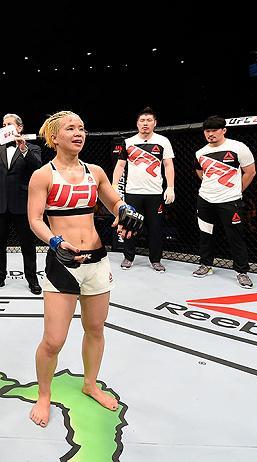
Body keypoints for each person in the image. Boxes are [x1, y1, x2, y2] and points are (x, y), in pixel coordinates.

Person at [27, 111, 143, 428]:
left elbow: (115, 203)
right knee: (53, 340)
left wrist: (126, 211)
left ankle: (90, 384)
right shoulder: (43, 175)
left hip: (96, 261)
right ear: (54, 137)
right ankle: (44, 394)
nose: (79, 133)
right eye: (70, 128)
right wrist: (54, 242)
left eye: (82, 128)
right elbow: (35, 219)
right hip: (62, 264)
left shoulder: (95, 172)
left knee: (95, 329)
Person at [0, 114, 42, 294]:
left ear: (19, 128)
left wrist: (23, 150)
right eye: (3, 124)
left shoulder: (33, 149)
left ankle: (32, 280)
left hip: (22, 204)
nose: (5, 126)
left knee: (28, 245)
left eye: (9, 124)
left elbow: (37, 168)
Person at [193, 116, 256, 288]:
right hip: (205, 199)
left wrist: (236, 191)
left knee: (235, 236)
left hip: (230, 200)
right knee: (205, 234)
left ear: (224, 130)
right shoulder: (200, 152)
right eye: (207, 131)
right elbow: (200, 173)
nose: (211, 134)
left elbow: (250, 172)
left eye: (214, 130)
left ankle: (241, 272)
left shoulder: (238, 147)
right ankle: (206, 265)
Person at [111, 107, 174, 272]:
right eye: (142, 120)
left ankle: (155, 260)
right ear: (137, 123)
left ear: (155, 123)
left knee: (155, 228)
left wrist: (171, 187)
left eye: (149, 120)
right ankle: (128, 257)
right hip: (132, 192)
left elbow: (168, 165)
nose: (145, 123)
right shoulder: (129, 142)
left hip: (154, 193)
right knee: (129, 226)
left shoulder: (163, 141)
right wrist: (114, 186)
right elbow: (120, 165)